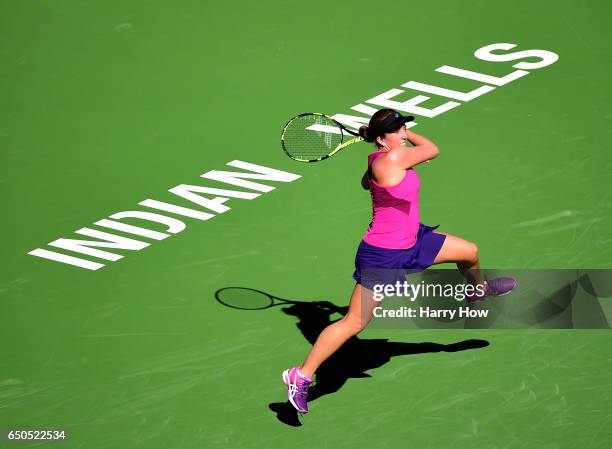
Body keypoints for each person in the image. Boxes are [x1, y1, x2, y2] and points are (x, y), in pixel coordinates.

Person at [282, 108, 516, 414]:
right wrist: (399, 142)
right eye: (398, 130)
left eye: (405, 127)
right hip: (385, 254)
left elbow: (366, 184)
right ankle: (301, 375)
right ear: (382, 138)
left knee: (469, 252)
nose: (404, 133)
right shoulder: (393, 158)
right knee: (355, 322)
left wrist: (389, 140)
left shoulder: (381, 158)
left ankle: (477, 289)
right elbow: (432, 150)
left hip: (413, 241)